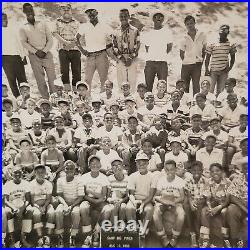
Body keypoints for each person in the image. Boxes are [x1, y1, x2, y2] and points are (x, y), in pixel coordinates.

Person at [20, 3, 56, 99]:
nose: (29, 12)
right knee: (40, 80)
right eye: (27, 10)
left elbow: (50, 39)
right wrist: (36, 52)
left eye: (31, 10)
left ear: (33, 10)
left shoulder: (42, 23)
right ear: (24, 12)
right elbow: (24, 42)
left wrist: (44, 51)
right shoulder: (23, 26)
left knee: (52, 78)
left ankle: (55, 98)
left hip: (46, 53)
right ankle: (46, 100)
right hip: (34, 56)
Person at [76, 8, 113, 93]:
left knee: (104, 80)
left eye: (92, 12)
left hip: (102, 55)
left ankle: (103, 101)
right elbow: (76, 39)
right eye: (88, 13)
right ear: (87, 15)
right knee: (87, 80)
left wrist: (108, 46)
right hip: (90, 56)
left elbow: (114, 37)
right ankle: (87, 100)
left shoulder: (104, 25)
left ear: (97, 13)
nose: (91, 15)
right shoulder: (84, 26)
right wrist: (82, 50)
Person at [80, 155, 111, 247]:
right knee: (83, 207)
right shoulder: (84, 177)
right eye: (92, 163)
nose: (95, 165)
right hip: (88, 200)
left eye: (97, 163)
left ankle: (96, 232)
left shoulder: (104, 177)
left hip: (100, 201)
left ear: (100, 165)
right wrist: (92, 199)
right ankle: (88, 235)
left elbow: (104, 195)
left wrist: (95, 198)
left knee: (108, 209)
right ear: (89, 166)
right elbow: (83, 194)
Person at [153, 160, 185, 247]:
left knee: (181, 214)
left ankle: (175, 237)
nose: (169, 172)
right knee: (156, 213)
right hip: (163, 201)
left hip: (175, 201)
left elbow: (182, 197)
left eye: (172, 169)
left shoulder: (180, 181)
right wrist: (164, 201)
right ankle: (163, 237)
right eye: (167, 169)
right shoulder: (161, 180)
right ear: (164, 170)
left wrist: (172, 202)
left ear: (175, 169)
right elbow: (156, 196)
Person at [200, 163, 231, 248]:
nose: (215, 173)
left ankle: (225, 237)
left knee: (225, 212)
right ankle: (206, 239)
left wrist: (219, 208)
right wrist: (210, 208)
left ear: (222, 171)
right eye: (212, 171)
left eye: (217, 171)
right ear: (210, 173)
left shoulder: (227, 182)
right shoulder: (209, 182)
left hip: (224, 205)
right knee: (204, 211)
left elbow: (229, 199)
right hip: (213, 204)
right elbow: (207, 198)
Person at [55, 160, 84, 247]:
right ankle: (60, 235)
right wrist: (65, 205)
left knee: (75, 212)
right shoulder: (60, 180)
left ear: (75, 170)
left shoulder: (79, 180)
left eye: (72, 168)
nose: (69, 170)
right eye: (67, 168)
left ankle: (73, 236)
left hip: (75, 203)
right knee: (58, 211)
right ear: (64, 169)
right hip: (64, 202)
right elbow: (59, 195)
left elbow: (80, 197)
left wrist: (71, 206)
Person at [53, 3, 81, 93]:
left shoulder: (76, 22)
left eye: (68, 9)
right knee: (64, 71)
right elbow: (54, 33)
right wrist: (65, 42)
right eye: (63, 9)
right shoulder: (57, 22)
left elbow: (80, 36)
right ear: (60, 11)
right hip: (63, 49)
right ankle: (67, 92)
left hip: (75, 49)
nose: (66, 11)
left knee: (76, 71)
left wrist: (72, 44)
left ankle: (76, 92)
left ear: (71, 10)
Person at [3, 165, 33, 247]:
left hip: (23, 205)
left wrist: (22, 209)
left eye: (19, 172)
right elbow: (5, 201)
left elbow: (28, 200)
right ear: (11, 174)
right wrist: (14, 208)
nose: (17, 175)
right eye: (15, 173)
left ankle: (23, 238)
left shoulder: (26, 183)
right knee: (7, 211)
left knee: (30, 210)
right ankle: (12, 239)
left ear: (22, 173)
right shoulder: (8, 184)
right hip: (12, 205)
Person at [126, 153, 155, 237]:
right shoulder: (132, 176)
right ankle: (133, 231)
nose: (141, 165)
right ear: (136, 164)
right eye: (139, 163)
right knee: (129, 208)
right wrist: (134, 201)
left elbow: (151, 195)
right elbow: (131, 194)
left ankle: (143, 230)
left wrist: (143, 204)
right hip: (135, 198)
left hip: (147, 200)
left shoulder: (152, 176)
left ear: (148, 163)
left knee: (149, 209)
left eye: (144, 163)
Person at [112, 9, 140, 92]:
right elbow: (114, 46)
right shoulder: (115, 31)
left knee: (132, 81)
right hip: (120, 58)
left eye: (125, 16)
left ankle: (131, 101)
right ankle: (121, 101)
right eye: (121, 16)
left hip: (132, 58)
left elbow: (137, 45)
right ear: (119, 17)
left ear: (128, 17)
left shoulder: (135, 30)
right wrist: (121, 58)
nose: (123, 18)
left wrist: (131, 58)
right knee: (121, 81)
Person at [143, 12, 173, 92]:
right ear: (153, 19)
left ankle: (163, 103)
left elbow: (169, 47)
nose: (158, 18)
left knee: (163, 87)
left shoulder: (167, 32)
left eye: (161, 17)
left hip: (162, 63)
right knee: (148, 86)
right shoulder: (149, 33)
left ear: (163, 19)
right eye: (156, 17)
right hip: (150, 62)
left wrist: (161, 55)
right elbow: (147, 47)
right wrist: (153, 55)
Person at [205, 25, 237, 96]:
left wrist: (230, 68)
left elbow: (233, 57)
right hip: (213, 71)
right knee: (210, 90)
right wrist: (206, 69)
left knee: (221, 91)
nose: (223, 33)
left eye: (225, 31)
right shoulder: (212, 44)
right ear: (219, 32)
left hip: (224, 71)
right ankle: (210, 106)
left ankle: (218, 105)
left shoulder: (231, 44)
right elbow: (207, 58)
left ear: (228, 32)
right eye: (222, 31)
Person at [180, 15, 207, 95]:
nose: (190, 25)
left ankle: (195, 104)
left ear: (195, 23)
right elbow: (181, 53)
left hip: (197, 65)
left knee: (196, 86)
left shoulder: (202, 34)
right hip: (186, 66)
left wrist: (201, 61)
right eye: (187, 24)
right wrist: (186, 61)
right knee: (184, 87)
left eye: (191, 23)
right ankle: (185, 105)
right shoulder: (183, 37)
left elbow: (204, 50)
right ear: (185, 25)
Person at [2, 12, 27, 98]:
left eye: (5, 18)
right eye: (2, 18)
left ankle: (26, 98)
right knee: (11, 80)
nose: (4, 20)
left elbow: (19, 43)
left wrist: (23, 56)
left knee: (22, 79)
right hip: (5, 59)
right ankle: (18, 98)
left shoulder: (12, 30)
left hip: (17, 57)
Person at [30, 164, 55, 247]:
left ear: (45, 173)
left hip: (46, 204)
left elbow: (48, 199)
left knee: (51, 212)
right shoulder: (32, 184)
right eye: (38, 172)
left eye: (42, 172)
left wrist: (44, 207)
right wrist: (38, 207)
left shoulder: (48, 184)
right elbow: (32, 200)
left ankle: (48, 236)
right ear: (35, 173)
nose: (40, 174)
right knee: (36, 214)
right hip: (36, 205)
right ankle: (39, 237)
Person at [184, 161, 207, 247]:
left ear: (202, 171)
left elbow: (205, 196)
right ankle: (192, 233)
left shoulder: (205, 180)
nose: (196, 172)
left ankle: (198, 234)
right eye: (194, 170)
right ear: (191, 171)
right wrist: (191, 203)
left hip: (201, 201)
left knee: (198, 209)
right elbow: (188, 193)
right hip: (191, 200)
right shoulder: (188, 180)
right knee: (186, 205)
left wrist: (197, 203)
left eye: (199, 170)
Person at [226, 161, 248, 248]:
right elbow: (232, 196)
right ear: (242, 170)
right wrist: (246, 210)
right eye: (246, 169)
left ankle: (244, 241)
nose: (248, 171)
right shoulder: (238, 179)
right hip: (241, 205)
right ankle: (234, 241)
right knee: (231, 209)